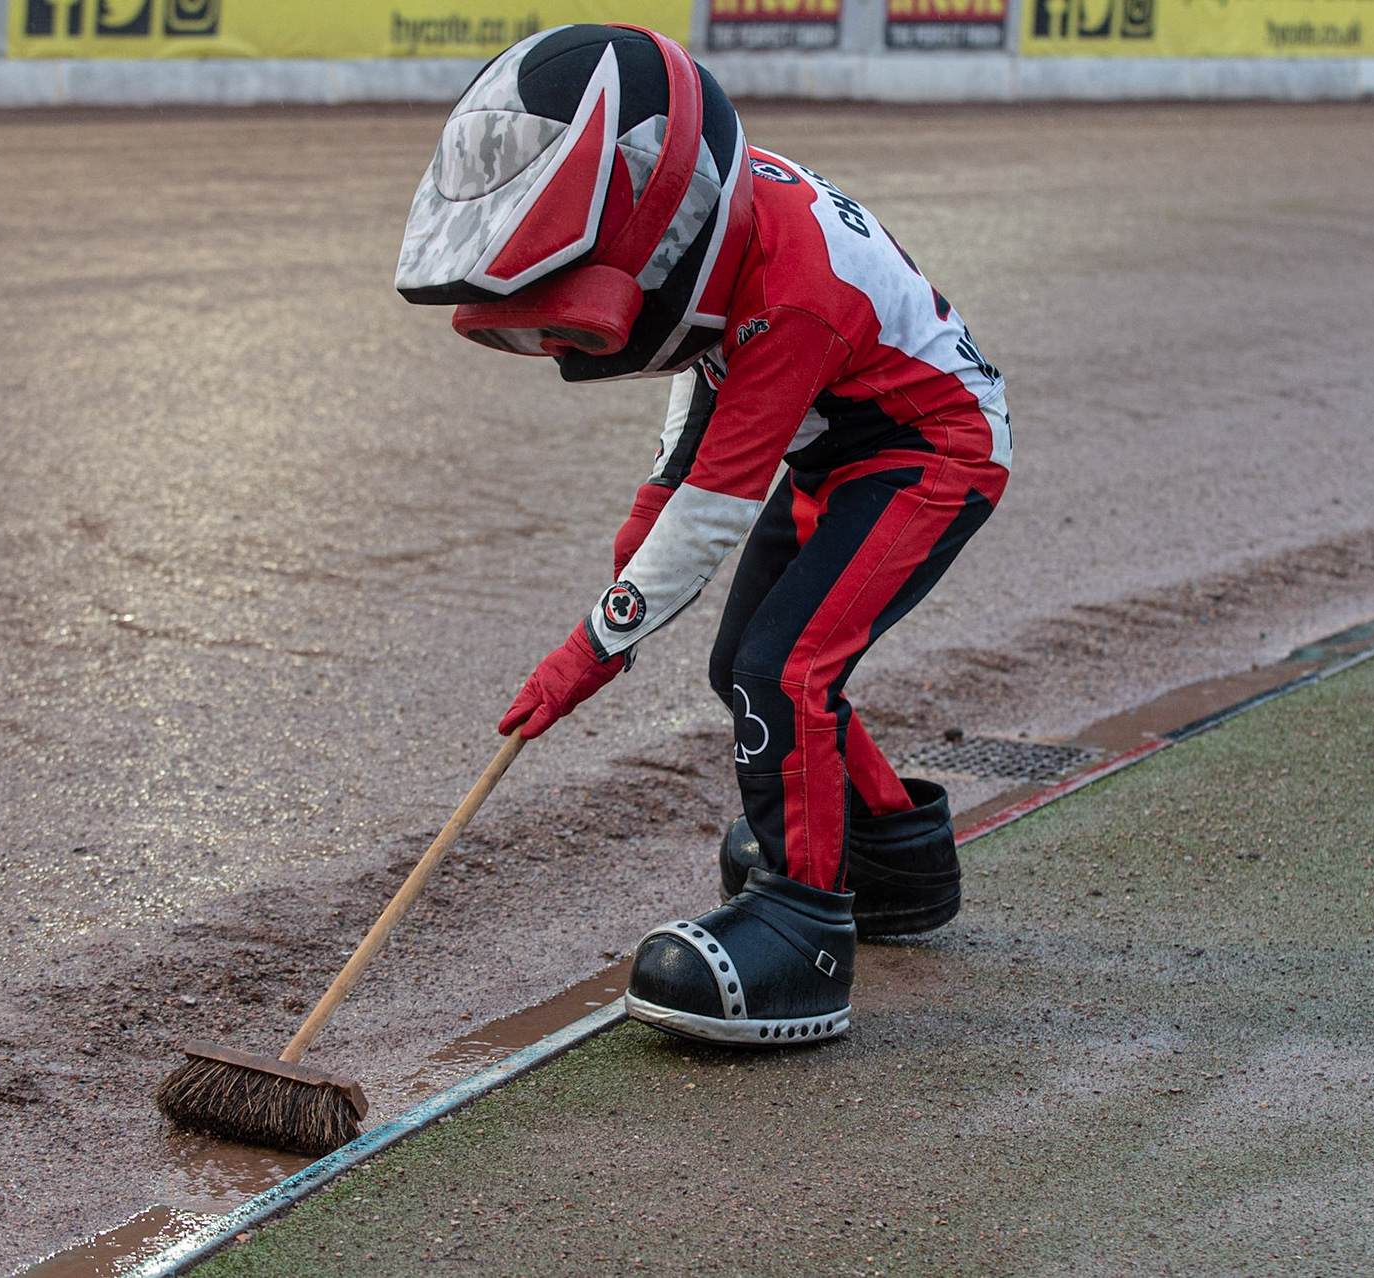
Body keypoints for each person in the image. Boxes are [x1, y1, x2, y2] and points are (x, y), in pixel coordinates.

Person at [395, 23, 1011, 1047]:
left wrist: (592, 649)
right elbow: (705, 380)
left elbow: (719, 503)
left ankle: (806, 927)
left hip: (931, 454)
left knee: (788, 672)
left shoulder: (794, 289)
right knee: (743, 664)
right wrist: (645, 515)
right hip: (840, 448)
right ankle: (893, 856)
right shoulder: (727, 217)